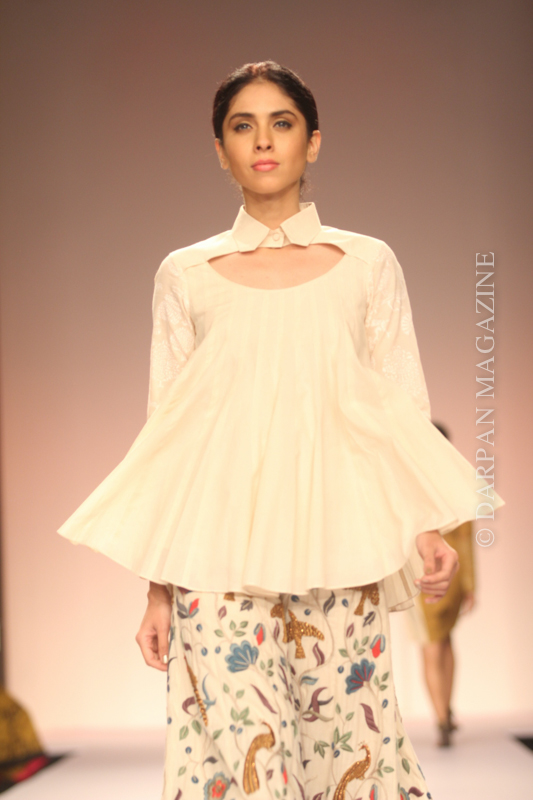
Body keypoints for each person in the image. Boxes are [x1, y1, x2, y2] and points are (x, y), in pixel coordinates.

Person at [59, 62, 504, 799]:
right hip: (215, 559)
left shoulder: (365, 264)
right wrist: (158, 591)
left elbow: (398, 407)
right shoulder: (186, 274)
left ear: (313, 141)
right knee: (245, 768)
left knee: (351, 755)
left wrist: (425, 526)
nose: (263, 140)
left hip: (342, 544)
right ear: (220, 150)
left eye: (282, 123)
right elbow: (169, 438)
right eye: (243, 125)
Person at [407, 422, 477, 748]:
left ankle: (444, 714)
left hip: (439, 573)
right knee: (436, 643)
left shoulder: (447, 485)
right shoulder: (421, 484)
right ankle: (442, 716)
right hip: (425, 574)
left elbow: (466, 538)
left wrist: (470, 584)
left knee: (439, 643)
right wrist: (470, 583)